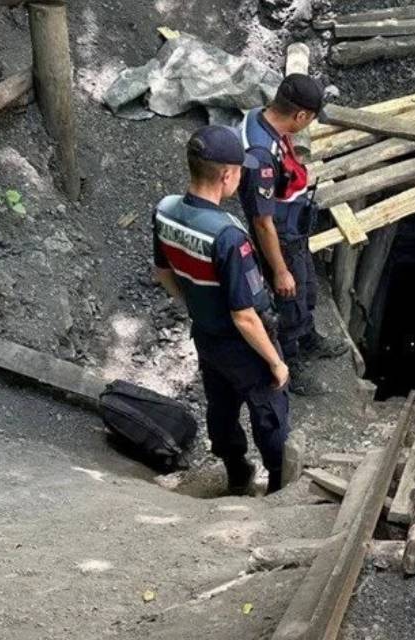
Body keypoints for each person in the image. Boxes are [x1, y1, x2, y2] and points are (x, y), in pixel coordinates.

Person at [152, 125, 290, 495]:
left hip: (207, 336)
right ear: (227, 175)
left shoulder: (165, 211)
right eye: (240, 171)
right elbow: (244, 315)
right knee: (269, 413)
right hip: (242, 344)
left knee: (221, 406)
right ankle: (279, 485)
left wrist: (195, 302)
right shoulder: (227, 235)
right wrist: (275, 362)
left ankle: (237, 473)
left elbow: (163, 272)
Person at [239, 73, 348, 396]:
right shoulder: (261, 156)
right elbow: (262, 221)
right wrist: (280, 269)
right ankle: (291, 360)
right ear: (300, 115)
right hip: (280, 237)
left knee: (307, 288)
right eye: (311, 119)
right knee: (289, 297)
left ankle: (308, 336)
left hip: (293, 228)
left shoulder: (266, 119)